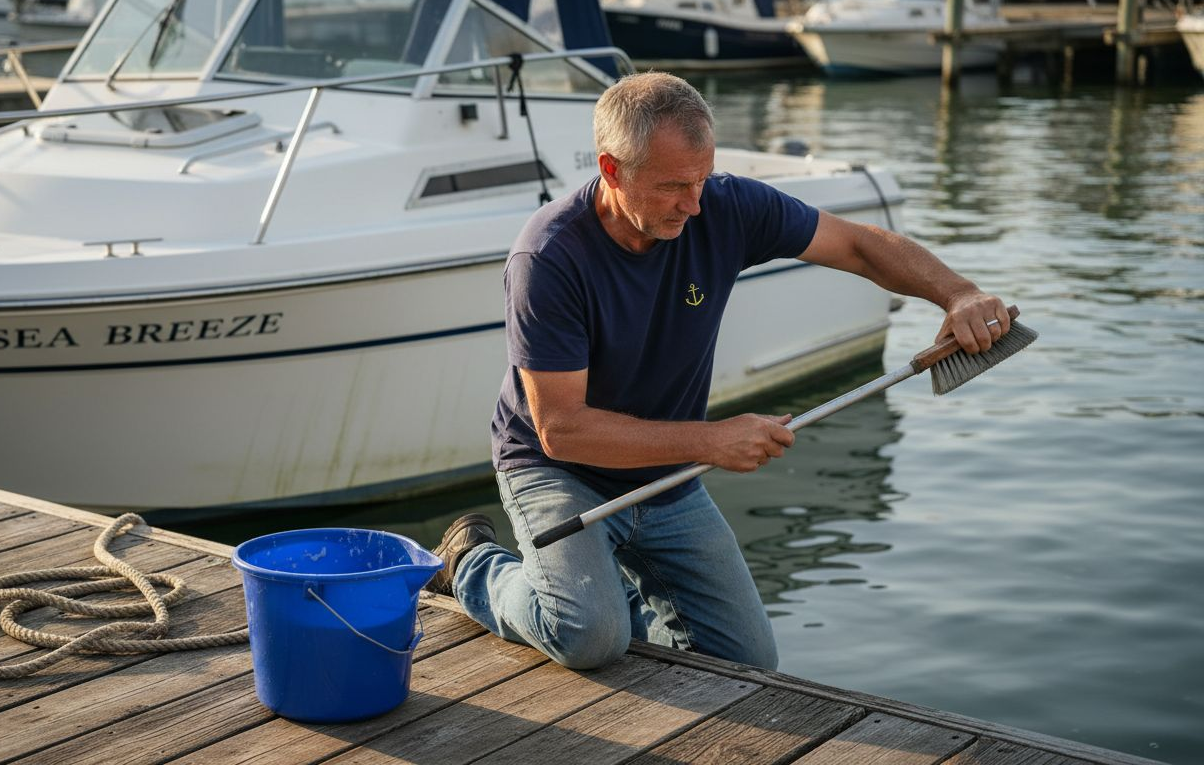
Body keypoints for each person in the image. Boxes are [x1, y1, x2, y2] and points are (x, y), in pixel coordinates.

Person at [424, 71, 1011, 671]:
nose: (695, 204)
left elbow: (857, 245)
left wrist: (958, 294)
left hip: (667, 475)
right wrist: (712, 439)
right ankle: (470, 564)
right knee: (590, 637)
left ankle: (604, 587)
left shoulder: (725, 206)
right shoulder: (548, 257)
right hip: (557, 470)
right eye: (674, 185)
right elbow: (562, 429)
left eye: (702, 179)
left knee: (748, 664)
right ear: (611, 168)